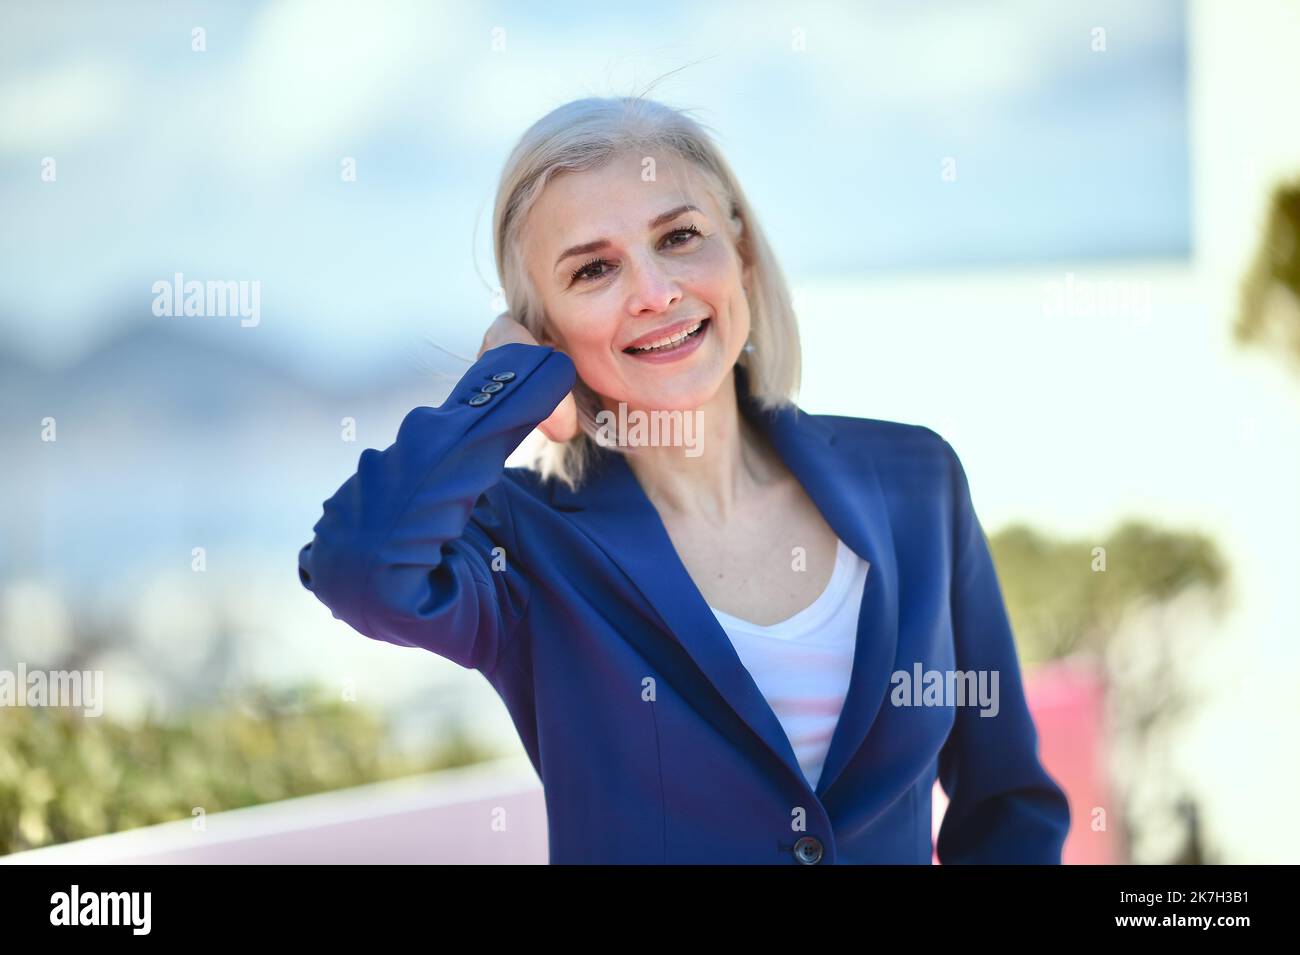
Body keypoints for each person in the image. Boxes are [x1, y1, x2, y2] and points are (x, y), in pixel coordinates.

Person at [297, 95, 1070, 864]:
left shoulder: (916, 482)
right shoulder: (525, 545)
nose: (656, 291)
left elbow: (1008, 806)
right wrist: (509, 381)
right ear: (546, 327)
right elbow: (357, 567)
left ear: (741, 248)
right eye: (594, 268)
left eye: (679, 236)